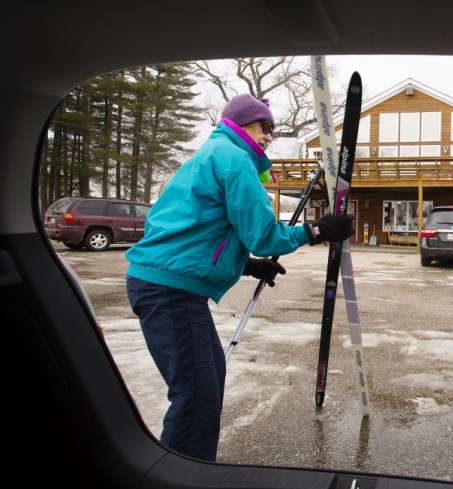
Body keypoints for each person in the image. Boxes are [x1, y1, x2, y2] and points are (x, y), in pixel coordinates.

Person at [124, 93, 354, 461]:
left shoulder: (213, 154)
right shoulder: (235, 161)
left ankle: (186, 471)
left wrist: (246, 265)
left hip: (166, 284)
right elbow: (264, 235)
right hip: (169, 290)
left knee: (205, 385)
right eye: (264, 127)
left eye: (272, 131)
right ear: (241, 123)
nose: (267, 137)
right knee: (197, 399)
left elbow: (197, 229)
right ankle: (184, 481)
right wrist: (316, 230)